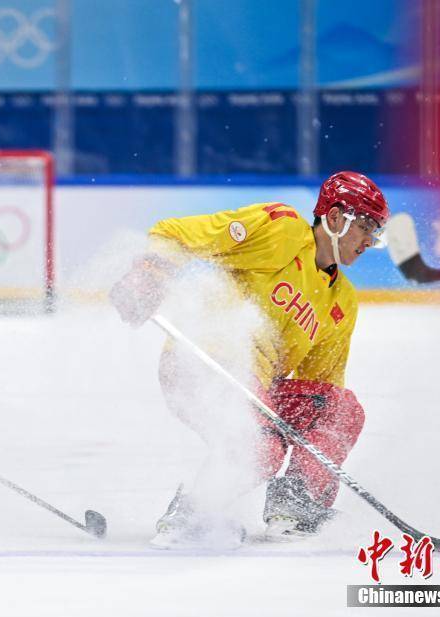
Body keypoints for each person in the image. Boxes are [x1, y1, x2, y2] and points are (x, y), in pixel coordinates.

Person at [110, 171, 388, 548]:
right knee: (261, 444)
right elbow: (175, 232)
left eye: (376, 230)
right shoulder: (282, 231)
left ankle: (296, 506)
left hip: (259, 390)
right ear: (336, 218)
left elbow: (321, 386)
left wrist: (315, 453)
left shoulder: (342, 303)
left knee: (341, 409)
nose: (371, 240)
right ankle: (192, 514)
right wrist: (149, 274)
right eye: (367, 226)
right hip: (203, 363)